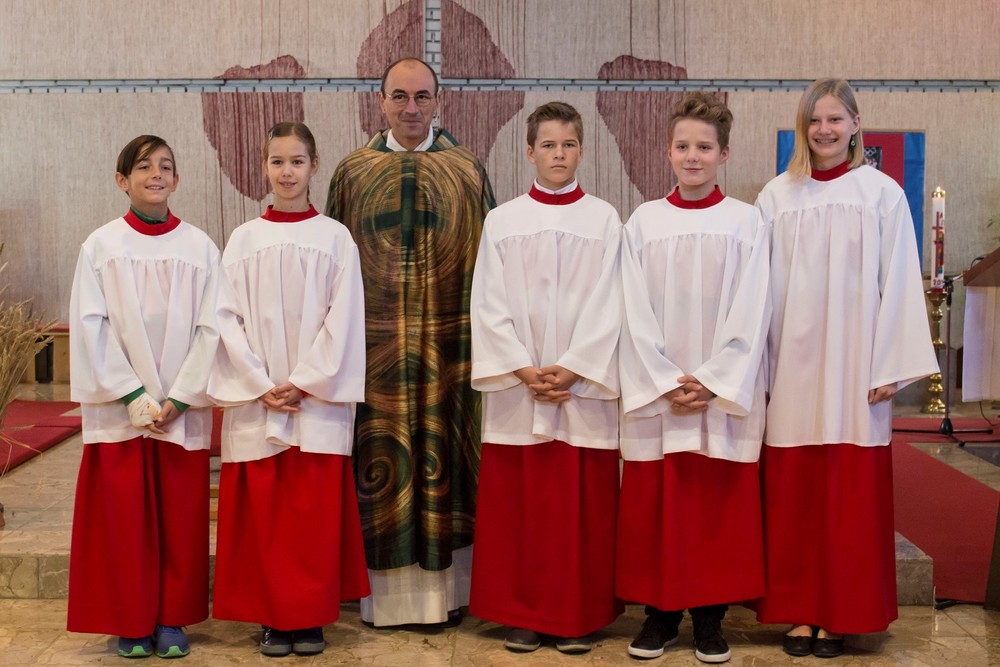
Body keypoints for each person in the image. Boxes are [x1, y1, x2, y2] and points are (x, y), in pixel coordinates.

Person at [754, 78, 938, 659]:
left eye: (835, 119)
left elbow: (900, 280)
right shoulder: (776, 196)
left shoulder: (880, 194)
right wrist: (756, 368)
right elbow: (756, 290)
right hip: (792, 364)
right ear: (802, 127)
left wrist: (890, 365)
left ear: (857, 124)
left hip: (856, 367)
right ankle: (800, 610)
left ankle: (840, 613)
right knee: (795, 494)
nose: (825, 130)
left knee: (847, 498)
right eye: (815, 120)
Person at [325, 57, 495, 627]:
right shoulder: (353, 173)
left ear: (438, 100)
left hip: (450, 350)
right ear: (380, 102)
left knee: (449, 457)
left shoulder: (466, 170)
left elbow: (491, 267)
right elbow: (332, 266)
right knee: (381, 464)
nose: (411, 108)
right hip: (376, 355)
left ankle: (451, 594)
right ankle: (380, 597)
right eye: (399, 96)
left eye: (422, 96)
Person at [616, 93, 770, 664]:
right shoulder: (643, 222)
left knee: (714, 510)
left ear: (724, 154)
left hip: (717, 395)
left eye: (704, 147)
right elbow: (631, 310)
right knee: (658, 506)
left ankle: (709, 619)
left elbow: (754, 308)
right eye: (683, 146)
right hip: (661, 393)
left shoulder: (746, 222)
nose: (692, 156)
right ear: (668, 152)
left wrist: (711, 381)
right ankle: (658, 615)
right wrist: (663, 380)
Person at [468, 102, 623, 654]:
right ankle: (523, 613)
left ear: (582, 151)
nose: (559, 154)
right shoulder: (503, 220)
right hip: (520, 386)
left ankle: (577, 615)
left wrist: (575, 366)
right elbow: (487, 302)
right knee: (522, 508)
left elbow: (613, 301)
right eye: (549, 145)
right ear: (529, 152)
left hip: (582, 388)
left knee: (579, 509)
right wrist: (522, 368)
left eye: (569, 145)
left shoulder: (605, 220)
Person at [210, 122, 369, 657]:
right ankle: (273, 619)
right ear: (264, 167)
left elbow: (344, 318)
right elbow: (225, 319)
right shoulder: (243, 239)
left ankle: (310, 618)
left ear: (314, 166)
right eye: (277, 161)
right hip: (258, 401)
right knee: (266, 517)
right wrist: (259, 383)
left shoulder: (335, 238)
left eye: (297, 161)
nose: (287, 172)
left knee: (310, 517)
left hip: (314, 402)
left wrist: (302, 382)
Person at [67, 135, 220, 658]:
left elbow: (212, 328)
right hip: (121, 410)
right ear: (122, 180)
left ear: (176, 180)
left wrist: (181, 397)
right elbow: (90, 325)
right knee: (124, 521)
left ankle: (173, 618)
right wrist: (132, 394)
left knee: (179, 516)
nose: (156, 174)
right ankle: (130, 619)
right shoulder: (100, 246)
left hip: (178, 409)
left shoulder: (200, 248)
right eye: (144, 166)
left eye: (166, 166)